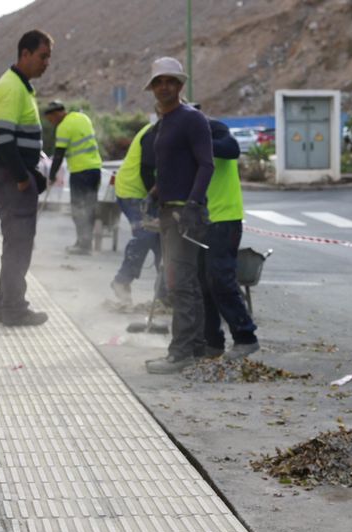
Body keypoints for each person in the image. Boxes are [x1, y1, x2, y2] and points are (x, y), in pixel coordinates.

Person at [142, 58, 213, 374]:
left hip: (186, 214)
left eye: (170, 81)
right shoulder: (164, 122)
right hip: (169, 210)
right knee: (185, 282)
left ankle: (180, 352)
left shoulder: (191, 119)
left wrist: (193, 205)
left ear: (180, 85)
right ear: (153, 88)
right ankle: (195, 347)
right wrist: (155, 192)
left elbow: (205, 164)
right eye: (158, 82)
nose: (164, 87)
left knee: (179, 283)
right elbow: (173, 168)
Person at [0, 30, 52, 326]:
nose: (46, 62)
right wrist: (23, 178)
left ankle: (4, 304)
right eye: (42, 56)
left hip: (11, 176)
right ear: (24, 54)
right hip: (12, 178)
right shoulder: (12, 87)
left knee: (15, 242)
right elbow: (3, 137)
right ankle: (14, 308)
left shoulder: (19, 86)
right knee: (19, 244)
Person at [198, 120, 258, 358]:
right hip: (201, 221)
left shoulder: (212, 129)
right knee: (203, 282)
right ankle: (212, 342)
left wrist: (197, 141)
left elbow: (231, 149)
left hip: (224, 219)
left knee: (221, 279)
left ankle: (245, 336)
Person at [110, 120, 163, 307]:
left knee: (162, 242)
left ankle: (164, 296)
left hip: (147, 192)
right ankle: (122, 281)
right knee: (146, 234)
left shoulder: (170, 129)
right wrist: (156, 199)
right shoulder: (154, 133)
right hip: (132, 192)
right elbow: (147, 170)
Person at [43, 100, 103, 254]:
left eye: (51, 119)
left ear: (57, 114)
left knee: (78, 208)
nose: (52, 122)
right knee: (89, 207)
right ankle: (86, 243)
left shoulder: (63, 127)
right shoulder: (82, 117)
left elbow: (58, 155)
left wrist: (51, 175)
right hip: (95, 169)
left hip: (80, 171)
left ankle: (82, 245)